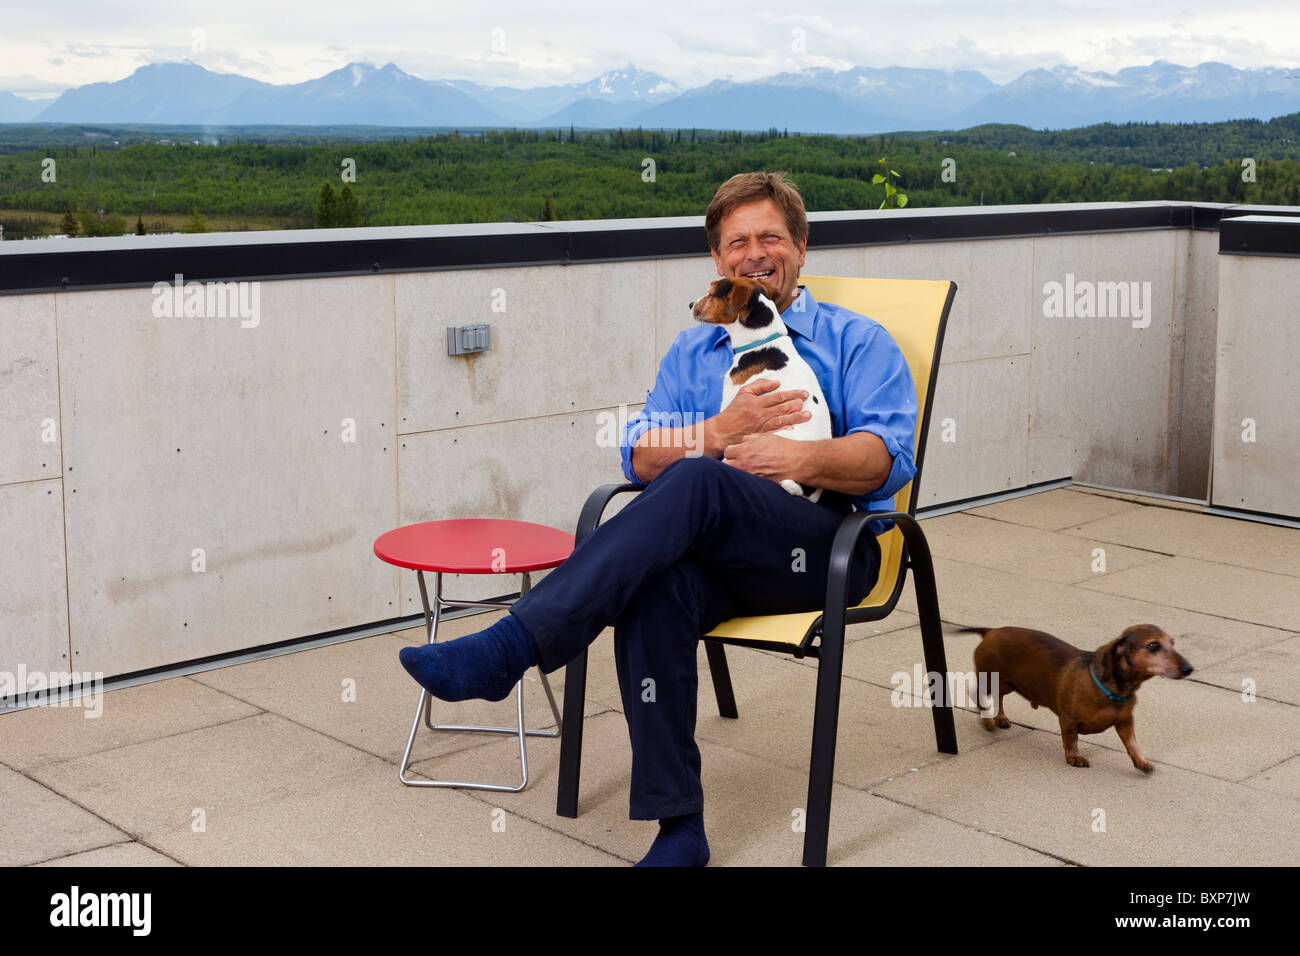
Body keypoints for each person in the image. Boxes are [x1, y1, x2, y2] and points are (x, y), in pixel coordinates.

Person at [399, 171, 918, 866]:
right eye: (738, 242)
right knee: (656, 579)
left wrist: (789, 456)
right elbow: (642, 457)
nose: (755, 253)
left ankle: (510, 649)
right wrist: (720, 430)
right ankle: (680, 829)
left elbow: (885, 460)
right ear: (718, 260)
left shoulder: (858, 340)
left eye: (770, 236)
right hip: (721, 557)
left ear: (799, 245)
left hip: (828, 548)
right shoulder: (695, 351)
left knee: (698, 480)